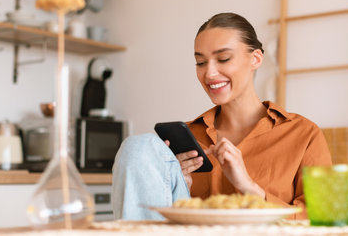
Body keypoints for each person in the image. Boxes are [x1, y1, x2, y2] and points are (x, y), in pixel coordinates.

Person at [112, 12, 332, 220]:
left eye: (224, 59)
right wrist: (175, 190)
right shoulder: (185, 139)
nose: (209, 73)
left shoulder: (303, 134)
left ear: (255, 59)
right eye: (200, 62)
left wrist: (250, 188)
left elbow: (324, 220)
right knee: (140, 146)